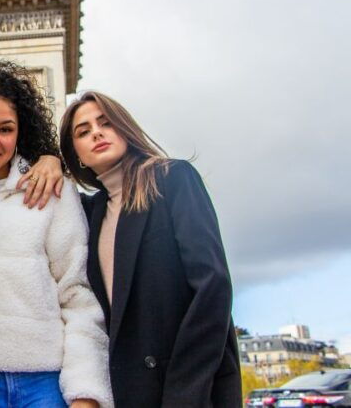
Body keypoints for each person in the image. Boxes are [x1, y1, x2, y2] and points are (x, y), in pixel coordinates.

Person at [0, 60, 113, 408]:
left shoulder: (54, 192)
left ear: (21, 132)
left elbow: (78, 296)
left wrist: (86, 392)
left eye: (5, 129)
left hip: (45, 382)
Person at [59, 91, 241, 407]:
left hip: (190, 386)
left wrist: (185, 390)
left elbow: (212, 288)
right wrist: (49, 161)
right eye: (83, 131)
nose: (97, 133)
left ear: (124, 128)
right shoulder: (90, 212)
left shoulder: (173, 178)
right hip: (130, 390)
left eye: (105, 123)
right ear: (76, 155)